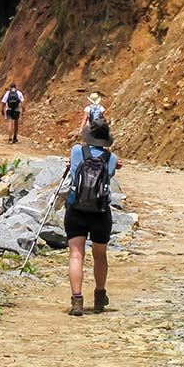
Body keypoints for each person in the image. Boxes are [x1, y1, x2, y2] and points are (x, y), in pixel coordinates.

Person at [63, 117, 117, 316]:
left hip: (76, 209)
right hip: (101, 211)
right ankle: (99, 297)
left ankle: (77, 301)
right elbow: (109, 175)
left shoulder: (77, 151)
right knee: (100, 255)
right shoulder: (111, 159)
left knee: (76, 255)